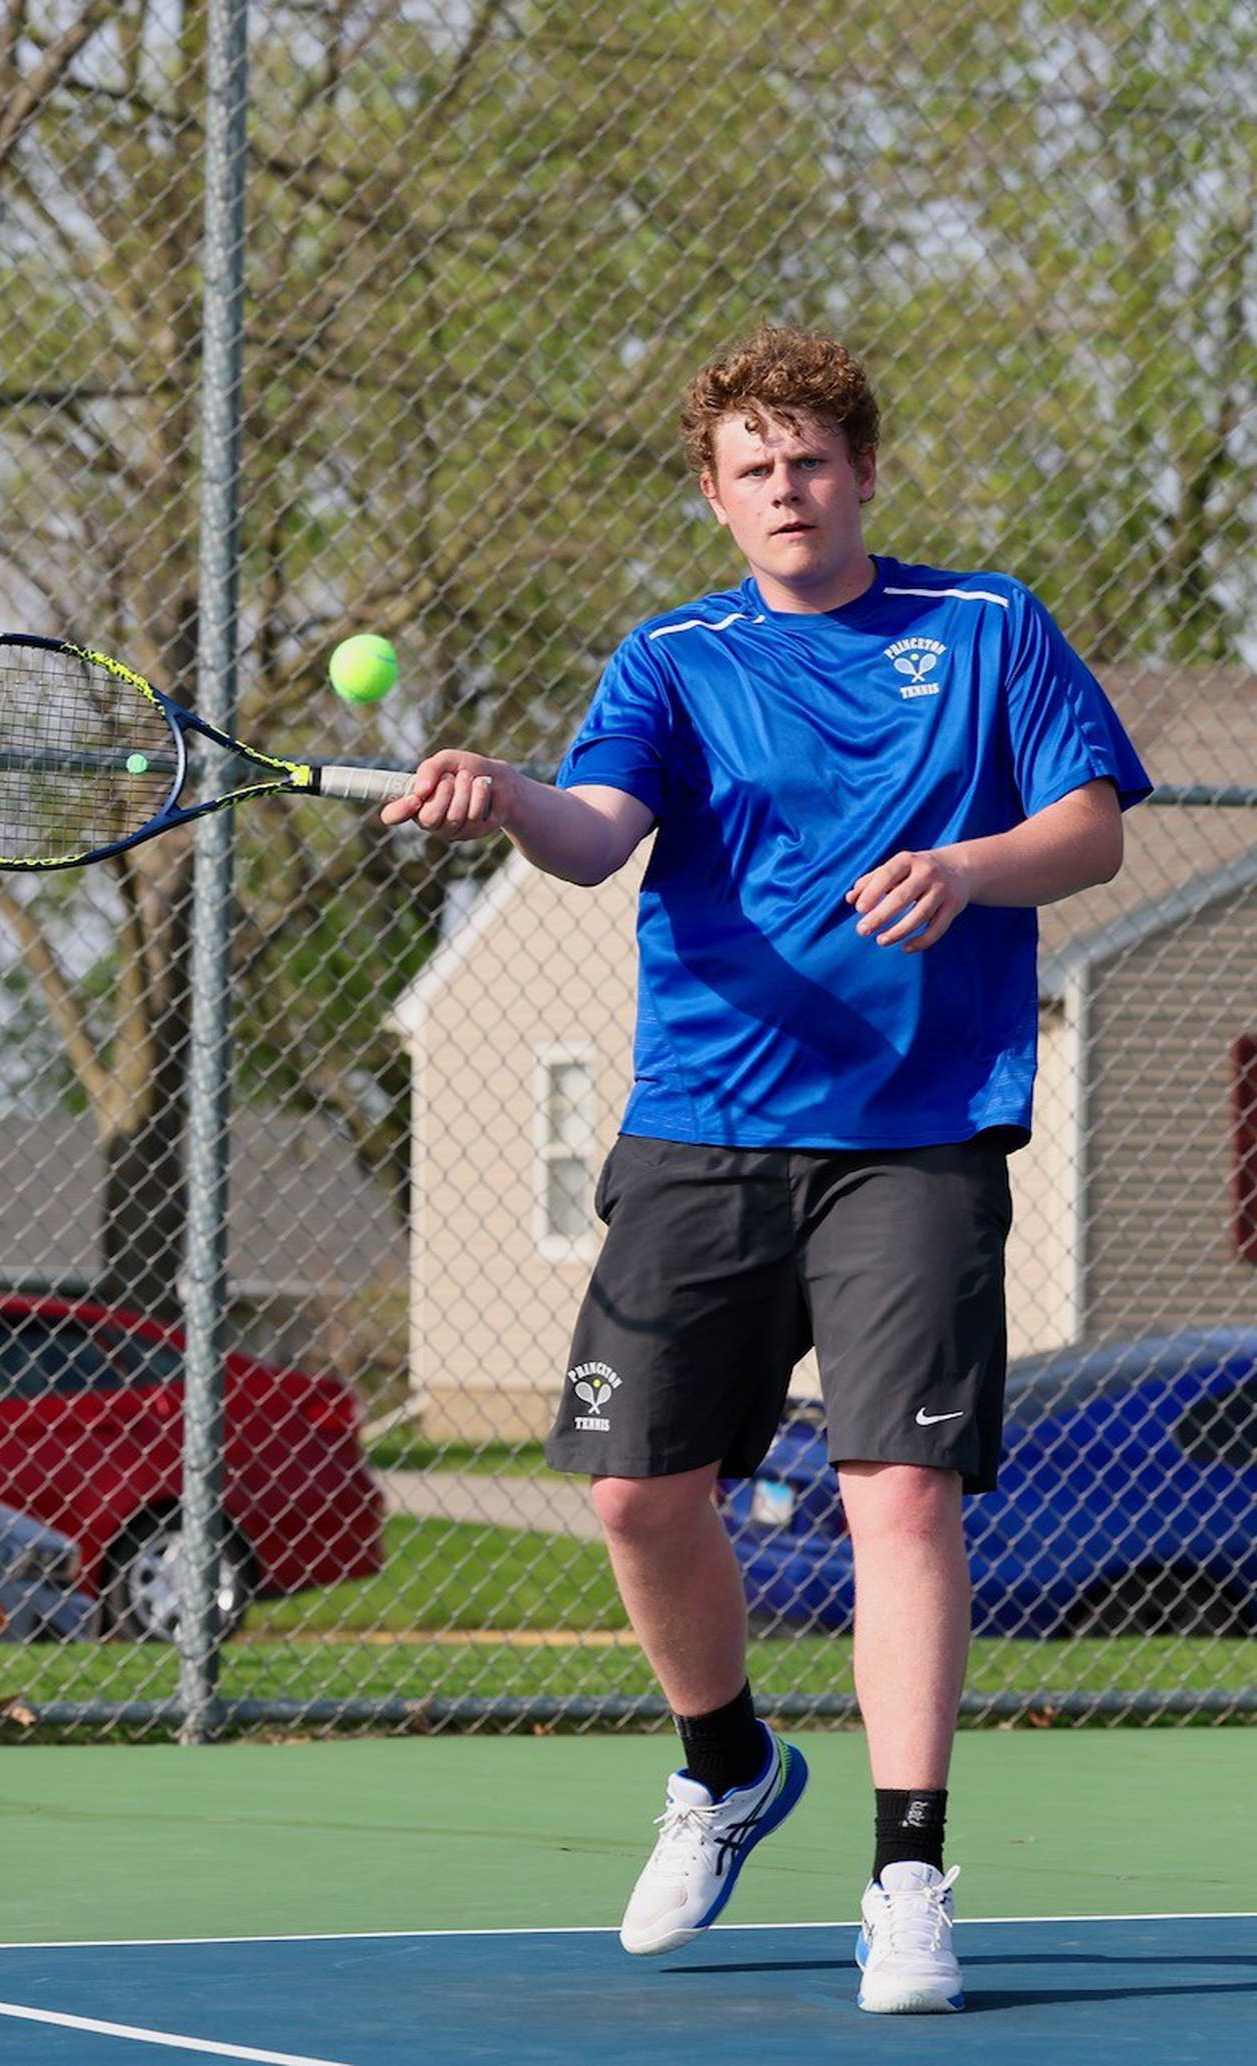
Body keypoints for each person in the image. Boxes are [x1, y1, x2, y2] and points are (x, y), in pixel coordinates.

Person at [381, 324, 1150, 2014]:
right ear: (714, 495)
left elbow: (1093, 823)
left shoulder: (987, 626)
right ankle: (726, 1765)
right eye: (753, 467)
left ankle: (908, 1874)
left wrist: (970, 865)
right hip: (704, 1125)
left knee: (898, 1492)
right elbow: (592, 838)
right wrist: (506, 796)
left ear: (865, 472)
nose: (787, 489)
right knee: (634, 1494)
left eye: (812, 459)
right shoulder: (671, 659)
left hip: (916, 1138)